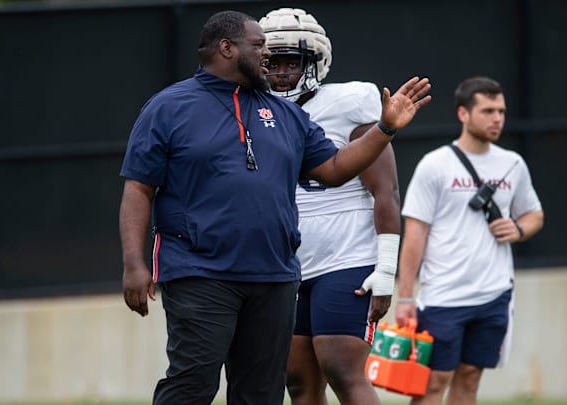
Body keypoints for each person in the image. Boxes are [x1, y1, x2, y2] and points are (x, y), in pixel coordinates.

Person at [119, 9, 430, 405]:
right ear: (227, 48)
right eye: (259, 45)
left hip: (275, 276)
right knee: (193, 382)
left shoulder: (285, 112)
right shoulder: (169, 106)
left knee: (262, 392)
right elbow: (138, 189)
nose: (268, 54)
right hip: (201, 271)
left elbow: (334, 169)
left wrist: (384, 129)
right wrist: (134, 263)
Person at [259, 8, 399, 405]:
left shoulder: (348, 102)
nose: (282, 71)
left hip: (346, 255)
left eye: (292, 61)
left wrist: (386, 270)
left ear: (315, 62)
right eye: (274, 61)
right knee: (298, 381)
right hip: (287, 262)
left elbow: (385, 192)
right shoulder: (254, 110)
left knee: (341, 366)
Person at [395, 76, 543, 405]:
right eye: (488, 111)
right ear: (463, 114)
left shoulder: (513, 163)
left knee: (471, 380)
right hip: (443, 294)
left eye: (501, 111)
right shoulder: (435, 164)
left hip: (493, 294)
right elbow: (415, 235)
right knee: (433, 382)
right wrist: (405, 298)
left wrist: (518, 229)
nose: (497, 119)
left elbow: (534, 214)